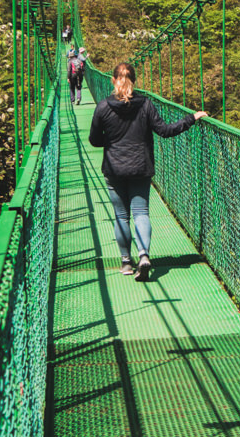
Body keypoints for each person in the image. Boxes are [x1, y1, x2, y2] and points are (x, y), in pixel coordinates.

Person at [87, 62, 207, 280]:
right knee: (141, 213)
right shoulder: (145, 105)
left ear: (113, 80)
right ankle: (143, 256)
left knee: (121, 216)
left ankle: (125, 263)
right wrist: (191, 118)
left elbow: (94, 141)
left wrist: (113, 141)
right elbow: (165, 131)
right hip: (141, 167)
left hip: (114, 169)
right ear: (135, 81)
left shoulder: (103, 107)